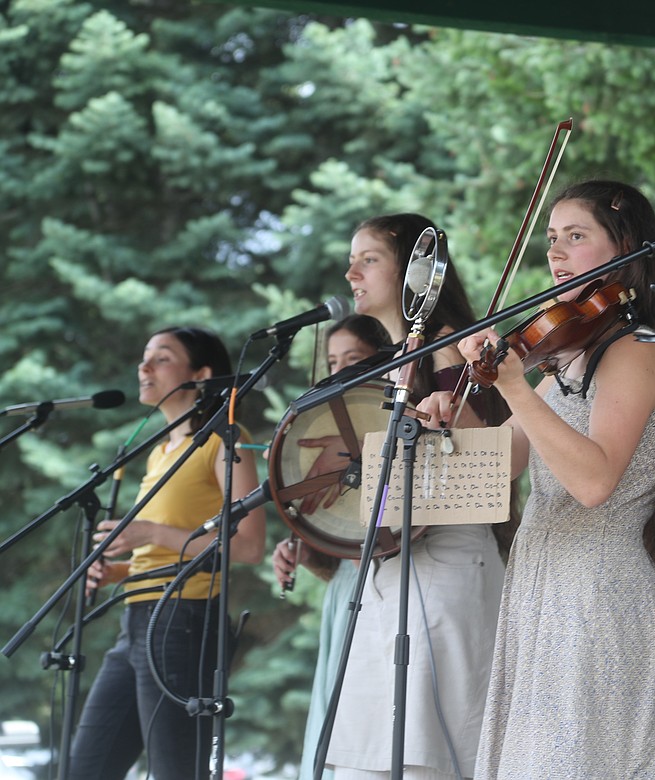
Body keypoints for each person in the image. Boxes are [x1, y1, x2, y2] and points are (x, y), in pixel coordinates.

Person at [418, 180, 655, 779]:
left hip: (598, 591)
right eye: (552, 240)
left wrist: (511, 387)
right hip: (542, 584)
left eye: (575, 238)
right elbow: (504, 465)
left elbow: (593, 481)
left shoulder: (634, 349)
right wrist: (441, 426)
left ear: (622, 249)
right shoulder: (568, 357)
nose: (555, 254)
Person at [310, 213, 512, 780]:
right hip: (385, 576)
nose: (351, 271)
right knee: (366, 758)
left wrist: (441, 418)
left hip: (443, 570)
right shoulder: (386, 359)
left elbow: (484, 452)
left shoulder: (446, 345)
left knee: (428, 755)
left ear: (414, 270)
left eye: (368, 258)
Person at [71, 325, 267, 780]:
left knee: (176, 772)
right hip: (136, 621)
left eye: (161, 357)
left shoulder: (225, 439)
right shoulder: (160, 452)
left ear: (200, 374)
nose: (144, 366)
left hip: (184, 623)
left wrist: (151, 531)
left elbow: (249, 545)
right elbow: (163, 551)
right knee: (84, 768)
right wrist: (115, 567)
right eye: (144, 357)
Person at [271, 313, 389, 780]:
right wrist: (306, 549)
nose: (340, 371)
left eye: (354, 359)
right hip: (346, 592)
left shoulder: (391, 428)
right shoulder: (327, 437)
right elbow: (342, 540)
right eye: (333, 361)